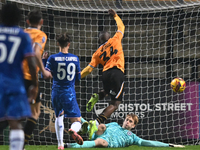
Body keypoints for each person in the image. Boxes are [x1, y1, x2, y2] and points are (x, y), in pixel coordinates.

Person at [81, 9, 125, 138]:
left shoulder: (97, 52)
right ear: (109, 37)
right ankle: (96, 122)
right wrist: (115, 16)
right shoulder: (116, 39)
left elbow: (89, 69)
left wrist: (77, 76)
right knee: (115, 104)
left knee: (107, 91)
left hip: (105, 73)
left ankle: (97, 96)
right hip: (117, 71)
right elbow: (121, 26)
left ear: (100, 41)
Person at [0, 3, 37, 150]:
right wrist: (35, 84)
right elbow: (32, 63)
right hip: (15, 84)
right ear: (19, 18)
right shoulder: (23, 36)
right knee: (16, 122)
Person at [43, 33, 83, 149]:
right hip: (68, 92)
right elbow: (78, 78)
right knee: (77, 121)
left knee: (58, 116)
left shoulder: (52, 58)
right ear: (69, 44)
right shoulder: (75, 58)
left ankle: (60, 145)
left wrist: (44, 60)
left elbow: (44, 75)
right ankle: (73, 130)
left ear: (57, 44)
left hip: (56, 92)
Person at [64, 114, 185, 148]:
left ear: (133, 126)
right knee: (102, 126)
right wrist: (80, 118)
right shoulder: (114, 124)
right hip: (98, 131)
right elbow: (99, 127)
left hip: (105, 141)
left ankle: (69, 145)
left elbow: (149, 143)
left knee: (102, 143)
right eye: (127, 119)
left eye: (130, 121)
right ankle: (83, 129)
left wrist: (169, 145)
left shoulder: (133, 137)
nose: (127, 122)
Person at [22, 9, 52, 147]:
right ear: (41, 22)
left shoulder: (21, 33)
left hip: (15, 76)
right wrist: (44, 72)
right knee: (35, 112)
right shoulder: (41, 35)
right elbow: (35, 53)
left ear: (27, 21)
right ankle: (21, 145)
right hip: (29, 77)